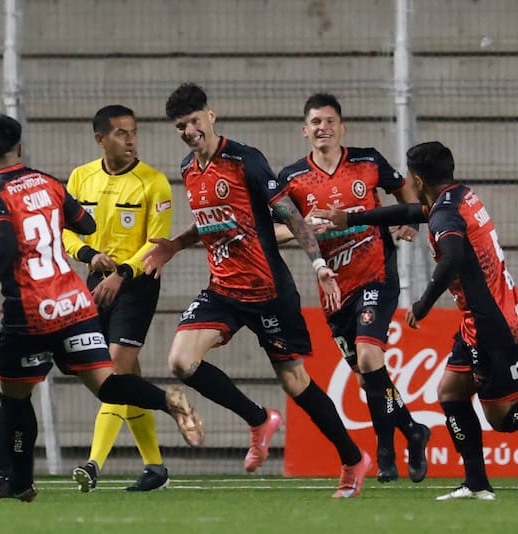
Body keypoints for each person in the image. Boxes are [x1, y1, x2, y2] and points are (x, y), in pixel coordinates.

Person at [312, 140, 518, 500]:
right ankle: (476, 483)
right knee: (449, 393)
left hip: (492, 325)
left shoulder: (445, 215)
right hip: (485, 316)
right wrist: (350, 218)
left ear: (417, 177)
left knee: (504, 418)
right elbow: (412, 213)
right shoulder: (458, 197)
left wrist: (424, 302)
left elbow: (451, 258)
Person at [143, 83, 371, 499]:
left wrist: (319, 264)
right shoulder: (188, 168)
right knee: (180, 361)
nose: (190, 131)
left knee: (295, 383)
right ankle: (258, 419)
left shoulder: (246, 161)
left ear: (210, 116)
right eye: (181, 126)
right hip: (223, 290)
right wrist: (175, 245)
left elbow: (291, 215)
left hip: (268, 291)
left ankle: (353, 459)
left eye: (194, 121)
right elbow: (212, 222)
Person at [0, 114, 203, 502]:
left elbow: (5, 246)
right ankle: (167, 400)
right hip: (76, 303)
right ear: (20, 149)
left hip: (31, 311)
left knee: (15, 397)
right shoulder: (48, 181)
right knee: (108, 384)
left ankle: (20, 480)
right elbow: (86, 223)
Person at [272, 93, 431, 483]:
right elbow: (271, 233)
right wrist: (302, 229)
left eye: (329, 121)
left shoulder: (367, 160)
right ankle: (412, 430)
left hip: (377, 272)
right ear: (304, 130)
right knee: (366, 375)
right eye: (315, 122)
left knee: (369, 357)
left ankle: (383, 450)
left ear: (342, 127)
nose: (322, 127)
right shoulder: (291, 179)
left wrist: (410, 217)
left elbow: (404, 189)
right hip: (334, 287)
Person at [62, 105, 174, 493]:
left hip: (137, 282)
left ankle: (93, 464)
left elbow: (156, 244)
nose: (130, 141)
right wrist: (89, 257)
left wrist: (121, 273)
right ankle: (156, 468)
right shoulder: (80, 178)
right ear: (101, 139)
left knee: (113, 373)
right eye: (122, 134)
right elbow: (65, 233)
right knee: (127, 377)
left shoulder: (154, 182)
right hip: (95, 280)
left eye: (134, 133)